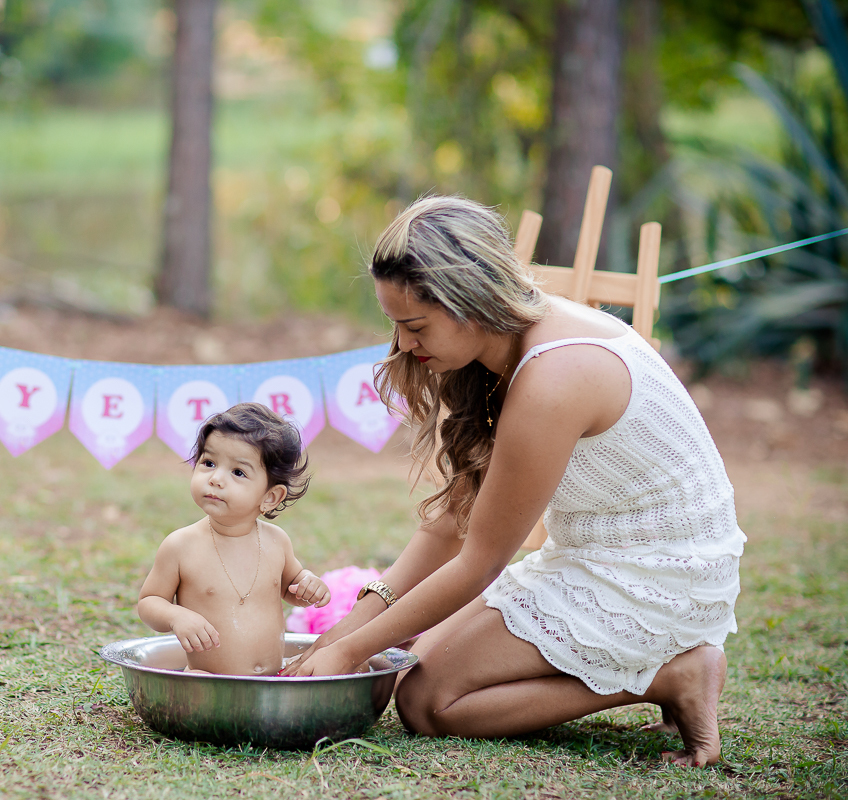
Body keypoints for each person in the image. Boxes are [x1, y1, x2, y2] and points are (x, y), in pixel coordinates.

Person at [284, 196, 744, 767]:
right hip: (595, 558)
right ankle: (659, 670)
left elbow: (480, 560)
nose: (402, 345)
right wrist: (355, 625)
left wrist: (352, 651)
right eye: (395, 325)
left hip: (659, 574)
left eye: (415, 325)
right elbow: (453, 522)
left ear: (468, 302)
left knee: (427, 702)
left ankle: (670, 675)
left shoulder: (554, 376)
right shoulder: (502, 346)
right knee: (423, 660)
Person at [138, 402, 331, 675]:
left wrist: (308, 585)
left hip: (272, 679)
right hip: (209, 680)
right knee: (195, 691)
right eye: (208, 463)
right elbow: (149, 602)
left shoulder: (277, 541)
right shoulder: (180, 546)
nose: (216, 478)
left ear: (269, 498)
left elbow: (292, 588)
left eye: (238, 472)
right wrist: (176, 616)